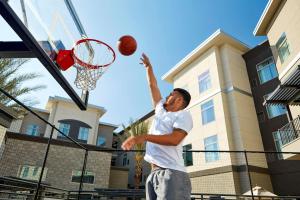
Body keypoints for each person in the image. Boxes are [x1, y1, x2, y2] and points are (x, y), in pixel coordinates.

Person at [122, 53, 193, 200]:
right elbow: (152, 85)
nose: (167, 96)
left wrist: (141, 137)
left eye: (171, 94)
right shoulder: (160, 110)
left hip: (171, 173)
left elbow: (174, 139)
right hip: (153, 173)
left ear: (179, 100)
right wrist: (148, 67)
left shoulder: (183, 115)